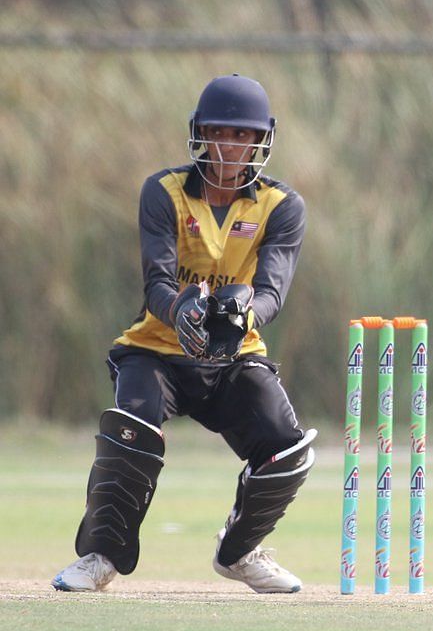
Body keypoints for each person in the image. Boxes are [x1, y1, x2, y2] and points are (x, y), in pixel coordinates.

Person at [52, 74, 316, 594]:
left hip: (235, 355)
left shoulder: (282, 205)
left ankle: (240, 553)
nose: (230, 147)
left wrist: (245, 315)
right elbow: (157, 282)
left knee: (288, 451)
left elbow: (271, 292)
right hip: (157, 349)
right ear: (200, 133)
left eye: (242, 136)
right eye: (220, 133)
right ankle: (101, 557)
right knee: (131, 427)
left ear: (262, 140)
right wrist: (182, 312)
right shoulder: (164, 191)